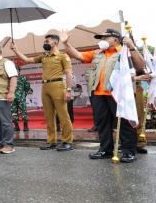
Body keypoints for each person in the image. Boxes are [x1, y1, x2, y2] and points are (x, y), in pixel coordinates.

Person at [61, 28, 145, 163]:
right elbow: (78, 55)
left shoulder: (124, 51)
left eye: (105, 38)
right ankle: (105, 150)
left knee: (124, 123)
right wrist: (66, 43)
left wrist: (131, 47)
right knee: (102, 123)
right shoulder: (98, 53)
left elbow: (141, 65)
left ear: (115, 40)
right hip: (97, 94)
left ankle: (129, 151)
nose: (102, 41)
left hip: (117, 94)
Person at [11, 34, 74, 152]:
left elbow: (69, 73)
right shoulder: (44, 56)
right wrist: (16, 50)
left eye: (47, 41)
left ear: (55, 43)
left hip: (58, 85)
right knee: (48, 116)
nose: (45, 43)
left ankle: (67, 141)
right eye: (44, 41)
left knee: (63, 116)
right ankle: (51, 141)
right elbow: (27, 60)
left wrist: (69, 90)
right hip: (45, 86)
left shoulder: (62, 56)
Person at [133, 69, 151, 154]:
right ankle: (126, 143)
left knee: (140, 116)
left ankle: (140, 143)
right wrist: (138, 77)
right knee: (127, 118)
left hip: (141, 87)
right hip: (128, 87)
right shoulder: (122, 57)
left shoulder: (144, 56)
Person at [11, 65, 31, 131]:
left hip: (21, 98)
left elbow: (27, 87)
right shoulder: (10, 78)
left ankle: (25, 126)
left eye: (16, 69)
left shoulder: (23, 78)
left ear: (19, 70)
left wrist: (24, 95)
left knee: (23, 112)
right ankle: (16, 126)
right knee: (13, 112)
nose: (15, 71)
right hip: (13, 98)